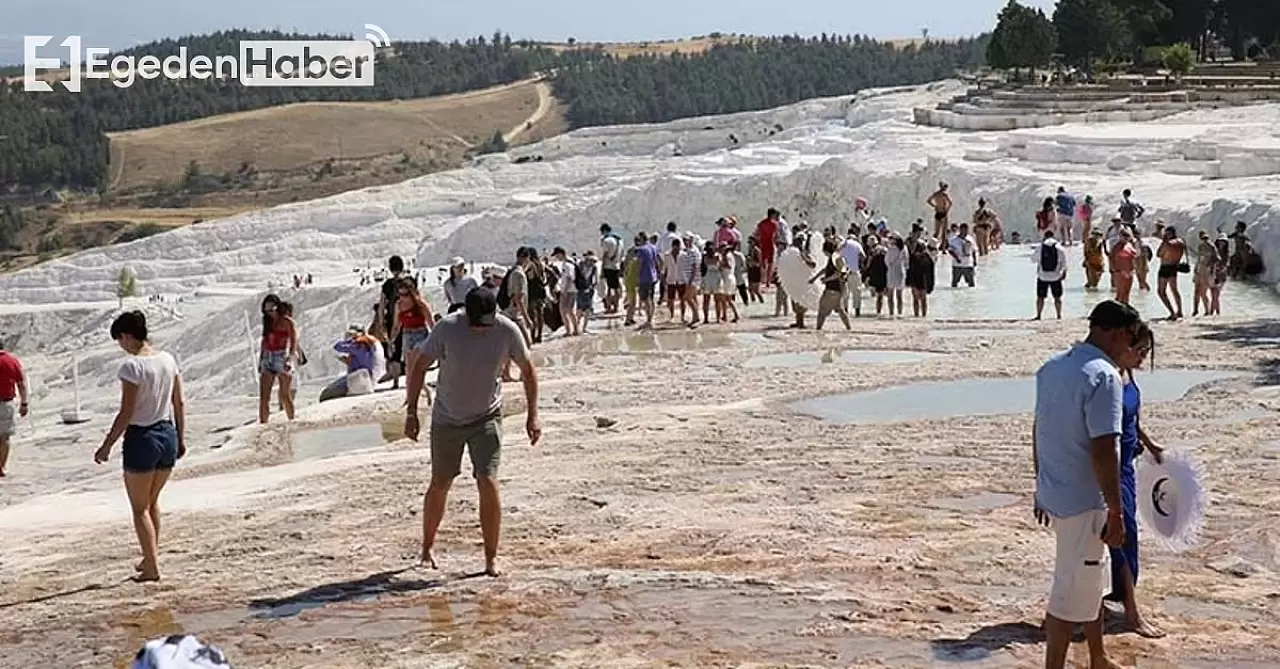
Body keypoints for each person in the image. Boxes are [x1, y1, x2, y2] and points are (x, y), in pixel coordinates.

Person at [1032, 299, 1142, 669]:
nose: (1129, 348)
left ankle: (1098, 656)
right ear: (1112, 332)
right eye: (1128, 338)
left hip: (1056, 490)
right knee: (1070, 591)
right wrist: (1116, 509)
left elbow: (1039, 430)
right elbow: (1103, 447)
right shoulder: (1104, 375)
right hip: (1085, 499)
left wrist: (1040, 483)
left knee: (1088, 577)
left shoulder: (1053, 367)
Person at [404, 288, 540, 577]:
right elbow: (419, 366)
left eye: (485, 324)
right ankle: (427, 548)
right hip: (447, 419)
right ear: (466, 315)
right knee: (440, 483)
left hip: (486, 417)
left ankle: (491, 558)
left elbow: (528, 370)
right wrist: (412, 411)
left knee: (487, 479)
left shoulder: (506, 330)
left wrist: (533, 416)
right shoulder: (447, 328)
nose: (480, 330)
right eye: (476, 324)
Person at [94, 310, 186, 582]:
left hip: (142, 438)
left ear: (126, 336)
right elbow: (178, 402)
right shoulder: (168, 360)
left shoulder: (132, 367)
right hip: (166, 432)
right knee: (152, 502)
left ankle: (152, 567)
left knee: (139, 508)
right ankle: (150, 558)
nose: (120, 346)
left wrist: (106, 445)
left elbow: (126, 412)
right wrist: (182, 436)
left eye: (119, 340)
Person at [1107, 321, 1167, 639]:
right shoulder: (1109, 378)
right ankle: (1132, 613)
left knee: (1128, 535)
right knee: (1122, 534)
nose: (1143, 358)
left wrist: (1151, 444)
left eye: (1147, 352)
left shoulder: (1128, 375)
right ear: (1124, 345)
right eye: (1141, 351)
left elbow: (1132, 419)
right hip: (1111, 469)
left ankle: (1115, 597)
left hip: (1128, 467)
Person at [258, 294, 298, 424]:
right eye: (267, 309)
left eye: (271, 308)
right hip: (268, 356)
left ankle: (292, 421)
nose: (269, 312)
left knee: (285, 394)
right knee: (264, 397)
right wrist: (260, 359)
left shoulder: (287, 322)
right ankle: (263, 424)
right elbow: (264, 341)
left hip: (281, 356)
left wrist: (290, 359)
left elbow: (293, 341)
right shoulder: (268, 323)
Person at [377, 255, 416, 383]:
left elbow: (382, 305)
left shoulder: (387, 285)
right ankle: (411, 376)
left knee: (394, 349)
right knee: (409, 348)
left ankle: (395, 380)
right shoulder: (408, 282)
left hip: (392, 320)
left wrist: (381, 321)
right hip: (408, 319)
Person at [319, 325, 383, 402]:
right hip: (362, 377)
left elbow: (338, 346)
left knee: (325, 394)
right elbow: (360, 362)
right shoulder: (367, 343)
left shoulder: (359, 344)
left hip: (358, 379)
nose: (350, 336)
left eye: (352, 334)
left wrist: (348, 340)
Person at [393, 279, 438, 385]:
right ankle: (411, 394)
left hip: (420, 333)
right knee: (408, 367)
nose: (403, 297)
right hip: (407, 334)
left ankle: (417, 389)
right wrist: (392, 340)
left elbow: (431, 322)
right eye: (400, 294)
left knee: (416, 363)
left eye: (406, 294)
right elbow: (396, 325)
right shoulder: (399, 305)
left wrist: (437, 339)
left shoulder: (420, 304)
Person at [0, 339, 29, 477]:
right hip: (6, 403)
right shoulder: (12, 361)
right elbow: (21, 383)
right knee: (4, 436)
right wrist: (24, 403)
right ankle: (2, 466)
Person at [811, 239, 851, 330]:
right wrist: (815, 278)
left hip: (834, 288)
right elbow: (826, 269)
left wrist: (826, 280)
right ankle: (849, 329)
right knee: (841, 310)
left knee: (822, 310)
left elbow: (838, 274)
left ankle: (818, 330)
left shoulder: (836, 258)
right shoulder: (834, 258)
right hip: (837, 289)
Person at [1035, 229, 1068, 320]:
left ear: (1045, 236)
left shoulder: (1040, 247)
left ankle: (1038, 315)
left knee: (1040, 297)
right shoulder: (1059, 247)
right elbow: (1064, 263)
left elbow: (1033, 259)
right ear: (1053, 236)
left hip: (1042, 276)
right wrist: (1064, 272)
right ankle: (1058, 315)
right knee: (1057, 297)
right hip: (1056, 276)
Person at [1155, 225, 1187, 320]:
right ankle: (1180, 311)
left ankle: (1172, 312)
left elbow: (1159, 254)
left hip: (1165, 267)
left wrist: (1164, 241)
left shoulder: (1168, 243)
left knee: (1161, 292)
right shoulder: (1181, 242)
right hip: (1174, 267)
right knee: (1174, 290)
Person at [551, 247, 581, 337]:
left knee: (565, 310)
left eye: (557, 255)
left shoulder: (567, 264)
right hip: (570, 290)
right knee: (568, 310)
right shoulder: (569, 262)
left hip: (569, 291)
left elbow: (569, 278)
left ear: (561, 253)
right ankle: (573, 329)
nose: (556, 257)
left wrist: (564, 291)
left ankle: (571, 330)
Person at [632, 233, 660, 329]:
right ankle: (650, 318)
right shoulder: (653, 247)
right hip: (653, 276)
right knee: (651, 298)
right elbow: (657, 261)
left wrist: (636, 277)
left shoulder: (641, 249)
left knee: (645, 299)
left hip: (645, 277)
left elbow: (640, 263)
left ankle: (649, 321)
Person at [906, 240, 935, 318]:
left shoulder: (913, 256)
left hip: (915, 280)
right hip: (924, 281)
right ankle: (923, 316)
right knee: (923, 299)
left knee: (916, 299)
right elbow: (931, 272)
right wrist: (931, 284)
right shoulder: (928, 257)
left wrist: (908, 281)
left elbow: (909, 270)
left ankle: (916, 316)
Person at [1109, 227, 1138, 305]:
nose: (1125, 238)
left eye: (1127, 236)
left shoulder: (1130, 245)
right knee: (1120, 294)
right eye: (1124, 236)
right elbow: (1111, 259)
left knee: (1127, 293)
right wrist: (1116, 270)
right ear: (1120, 236)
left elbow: (1135, 257)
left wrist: (1133, 269)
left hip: (1130, 271)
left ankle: (1125, 310)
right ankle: (1116, 311)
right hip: (1120, 272)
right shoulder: (1116, 247)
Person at [840, 227, 865, 317]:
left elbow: (837, 257)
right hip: (855, 271)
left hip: (844, 272)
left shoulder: (842, 244)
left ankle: (845, 311)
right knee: (857, 293)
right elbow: (863, 256)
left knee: (845, 293)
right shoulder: (857, 244)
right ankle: (857, 311)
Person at [599, 224, 623, 314]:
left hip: (608, 266)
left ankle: (609, 307)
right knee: (616, 287)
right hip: (616, 266)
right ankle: (616, 307)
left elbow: (605, 256)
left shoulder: (606, 241)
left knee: (609, 288)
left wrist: (602, 269)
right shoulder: (619, 240)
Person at [1192, 230, 1217, 318]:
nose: (1204, 240)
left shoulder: (1211, 246)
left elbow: (1216, 258)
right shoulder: (1200, 246)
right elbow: (1199, 258)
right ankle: (1195, 310)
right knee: (1196, 291)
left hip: (1207, 270)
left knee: (1203, 291)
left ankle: (1207, 310)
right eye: (1202, 238)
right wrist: (1195, 268)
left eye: (1206, 238)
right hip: (1200, 269)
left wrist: (1212, 269)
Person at [755, 208, 781, 287]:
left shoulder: (761, 223)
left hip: (763, 243)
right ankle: (768, 282)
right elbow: (776, 236)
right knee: (770, 263)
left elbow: (757, 234)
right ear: (772, 214)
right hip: (770, 243)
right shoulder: (775, 224)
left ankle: (762, 279)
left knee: (763, 262)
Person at [883, 234, 908, 317]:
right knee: (899, 295)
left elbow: (887, 261)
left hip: (892, 271)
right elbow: (907, 261)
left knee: (890, 294)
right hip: (901, 271)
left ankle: (891, 313)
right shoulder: (904, 249)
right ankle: (900, 313)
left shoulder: (891, 249)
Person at [948, 223, 977, 288]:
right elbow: (950, 250)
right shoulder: (953, 240)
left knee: (971, 283)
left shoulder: (970, 239)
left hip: (968, 264)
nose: (964, 232)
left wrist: (975, 261)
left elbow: (974, 250)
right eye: (963, 230)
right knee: (954, 283)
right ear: (960, 230)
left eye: (966, 230)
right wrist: (957, 258)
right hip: (957, 265)